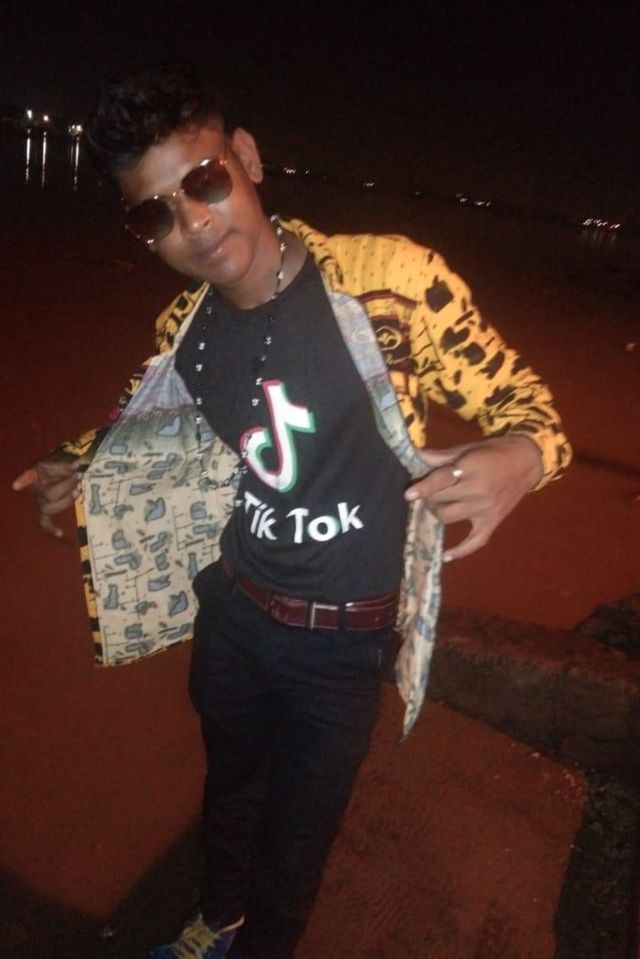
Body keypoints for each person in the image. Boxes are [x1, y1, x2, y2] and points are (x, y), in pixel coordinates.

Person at [12, 65, 571, 959]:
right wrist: (75, 459)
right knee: (228, 791)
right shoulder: (184, 331)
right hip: (234, 614)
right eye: (154, 213)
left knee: (297, 840)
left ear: (246, 157)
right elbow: (145, 423)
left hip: (342, 645)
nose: (194, 223)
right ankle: (215, 918)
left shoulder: (391, 282)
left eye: (203, 181)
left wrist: (527, 455)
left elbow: (530, 408)